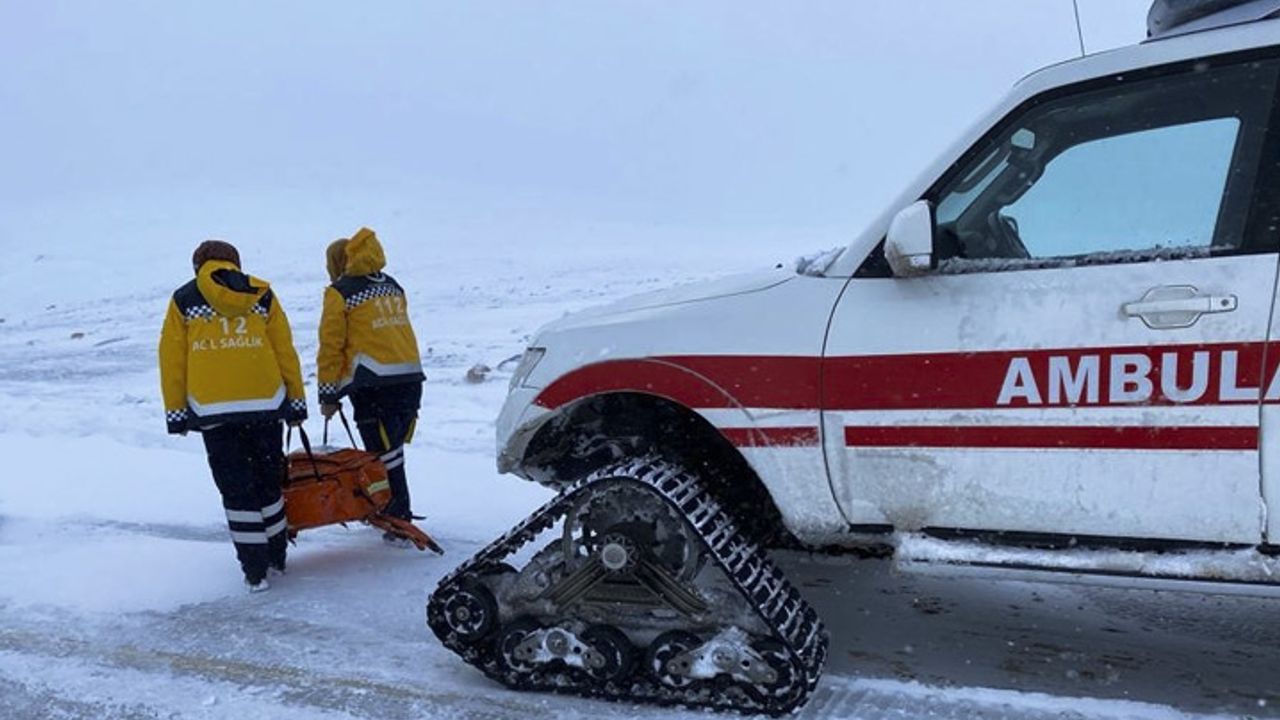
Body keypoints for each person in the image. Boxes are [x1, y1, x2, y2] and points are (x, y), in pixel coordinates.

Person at [158, 240, 308, 592]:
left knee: (236, 491)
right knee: (268, 484)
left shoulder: (184, 299)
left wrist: (176, 411)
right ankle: (277, 557)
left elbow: (172, 358)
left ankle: (254, 570)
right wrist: (296, 401)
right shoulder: (262, 293)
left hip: (214, 412)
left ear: (198, 265)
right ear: (236, 262)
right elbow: (284, 350)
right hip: (266, 405)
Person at [317, 227, 425, 531]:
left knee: (383, 457)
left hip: (375, 385)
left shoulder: (341, 292)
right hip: (411, 380)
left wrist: (328, 396)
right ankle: (393, 511)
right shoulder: (392, 285)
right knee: (394, 452)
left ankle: (396, 518)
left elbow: (331, 346)